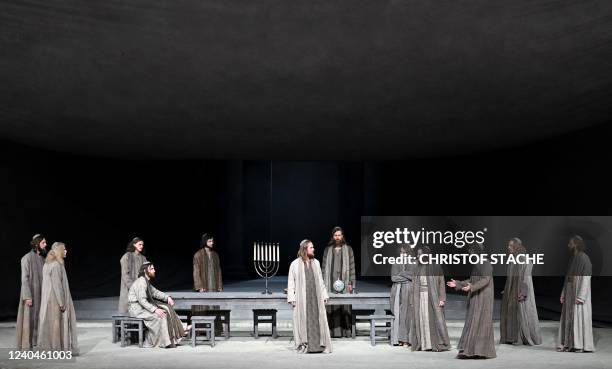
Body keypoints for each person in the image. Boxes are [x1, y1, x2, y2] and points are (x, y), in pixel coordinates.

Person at [447, 243, 496, 359]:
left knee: (481, 322)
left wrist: (471, 287)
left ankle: (480, 351)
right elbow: (472, 279)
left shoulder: (486, 263)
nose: (470, 254)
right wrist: (458, 283)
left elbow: (486, 279)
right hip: (477, 295)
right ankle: (471, 349)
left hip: (483, 297)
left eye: (471, 251)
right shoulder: (478, 263)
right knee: (473, 321)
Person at [128, 262, 188, 348]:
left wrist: (167, 298)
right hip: (137, 310)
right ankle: (160, 342)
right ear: (145, 271)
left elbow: (155, 292)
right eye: (152, 269)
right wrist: (155, 309)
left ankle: (177, 332)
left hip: (142, 308)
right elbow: (142, 300)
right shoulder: (141, 282)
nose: (154, 271)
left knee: (166, 309)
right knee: (161, 315)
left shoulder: (146, 281)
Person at [287, 239, 332, 353]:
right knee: (304, 320)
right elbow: (291, 283)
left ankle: (319, 346)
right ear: (305, 249)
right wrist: (292, 298)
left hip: (315, 297)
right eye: (311, 247)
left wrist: (324, 295)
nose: (313, 249)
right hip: (302, 298)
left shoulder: (316, 263)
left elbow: (320, 281)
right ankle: (305, 344)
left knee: (317, 320)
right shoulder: (295, 264)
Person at [37, 242, 79, 355]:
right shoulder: (56, 265)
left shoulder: (48, 264)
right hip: (55, 299)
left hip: (48, 298)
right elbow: (57, 285)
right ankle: (57, 349)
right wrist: (61, 302)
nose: (66, 251)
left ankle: (50, 348)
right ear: (59, 251)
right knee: (56, 324)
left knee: (50, 324)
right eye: (64, 249)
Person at [500, 237, 542, 345]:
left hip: (520, 290)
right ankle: (512, 337)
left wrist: (523, 292)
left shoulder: (523, 259)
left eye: (510, 245)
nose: (508, 248)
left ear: (517, 246)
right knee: (512, 313)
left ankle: (522, 338)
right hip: (512, 290)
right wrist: (507, 290)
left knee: (521, 314)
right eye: (508, 245)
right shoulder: (512, 259)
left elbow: (526, 277)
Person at [557, 235, 594, 352]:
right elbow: (567, 278)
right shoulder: (572, 258)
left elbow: (586, 278)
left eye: (570, 243)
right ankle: (569, 343)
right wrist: (563, 293)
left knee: (579, 317)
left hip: (578, 291)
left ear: (576, 244)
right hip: (570, 291)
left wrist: (581, 297)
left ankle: (579, 345)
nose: (568, 245)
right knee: (569, 318)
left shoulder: (584, 258)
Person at [410, 246, 450, 352]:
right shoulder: (416, 267)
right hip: (419, 297)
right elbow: (413, 284)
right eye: (417, 254)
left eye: (420, 254)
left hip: (432, 296)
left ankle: (437, 343)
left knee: (434, 320)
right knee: (422, 319)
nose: (418, 256)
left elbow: (441, 282)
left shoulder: (435, 266)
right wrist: (412, 300)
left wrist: (442, 298)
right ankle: (424, 344)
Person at [321, 226, 355, 338]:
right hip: (330, 282)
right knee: (331, 306)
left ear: (342, 236)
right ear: (333, 236)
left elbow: (352, 267)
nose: (337, 237)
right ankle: (331, 332)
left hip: (344, 283)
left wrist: (351, 283)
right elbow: (324, 267)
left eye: (339, 235)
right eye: (335, 235)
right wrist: (322, 285)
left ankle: (346, 331)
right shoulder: (328, 249)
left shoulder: (348, 249)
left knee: (344, 306)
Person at [16, 234, 47, 350]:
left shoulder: (43, 259)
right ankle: (26, 345)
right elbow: (24, 278)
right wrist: (27, 296)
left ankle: (37, 342)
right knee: (29, 319)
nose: (45, 245)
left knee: (39, 318)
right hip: (31, 294)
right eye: (43, 242)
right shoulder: (26, 258)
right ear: (36, 243)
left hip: (41, 294)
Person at [192, 233, 223, 334]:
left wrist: (219, 286)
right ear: (205, 242)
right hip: (204, 286)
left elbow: (218, 271)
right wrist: (199, 286)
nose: (212, 243)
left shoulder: (215, 255)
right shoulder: (198, 255)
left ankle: (216, 330)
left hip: (213, 285)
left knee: (213, 307)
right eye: (210, 241)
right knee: (203, 307)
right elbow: (196, 272)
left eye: (212, 241)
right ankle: (201, 330)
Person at [389, 246, 414, 346]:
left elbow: (414, 276)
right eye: (401, 252)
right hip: (398, 291)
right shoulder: (395, 263)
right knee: (399, 315)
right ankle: (399, 339)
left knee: (408, 315)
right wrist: (407, 277)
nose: (403, 254)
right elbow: (394, 278)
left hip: (409, 291)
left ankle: (408, 339)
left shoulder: (413, 263)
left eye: (405, 252)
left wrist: (402, 273)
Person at [118, 237, 148, 313]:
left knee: (140, 310)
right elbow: (125, 274)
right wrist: (133, 287)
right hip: (129, 288)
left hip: (140, 288)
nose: (141, 246)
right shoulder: (127, 256)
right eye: (139, 244)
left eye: (142, 245)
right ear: (134, 245)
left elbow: (146, 274)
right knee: (128, 309)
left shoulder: (143, 258)